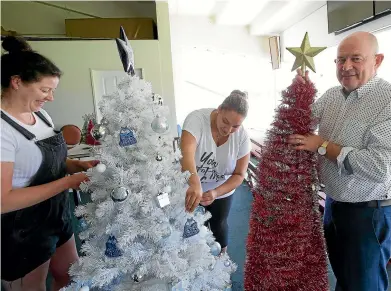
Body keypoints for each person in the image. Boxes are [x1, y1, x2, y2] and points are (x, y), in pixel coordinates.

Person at [287, 31, 391, 291]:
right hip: (334, 205)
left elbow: (379, 167)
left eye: (356, 58)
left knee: (365, 285)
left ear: (377, 60)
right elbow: (300, 124)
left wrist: (322, 146)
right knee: (345, 279)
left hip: (368, 212)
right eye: (340, 60)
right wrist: (300, 93)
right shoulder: (333, 95)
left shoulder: (387, 101)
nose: (346, 67)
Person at [1, 36, 98, 290]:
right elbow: (3, 201)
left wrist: (74, 166)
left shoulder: (40, 114)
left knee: (70, 276)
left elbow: (46, 161)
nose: (51, 98)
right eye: (45, 90)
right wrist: (66, 182)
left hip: (56, 213)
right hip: (22, 229)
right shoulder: (2, 130)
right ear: (17, 82)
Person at [180, 90, 251, 253]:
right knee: (193, 227)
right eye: (225, 122)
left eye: (235, 126)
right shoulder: (196, 120)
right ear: (219, 109)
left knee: (219, 223)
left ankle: (221, 265)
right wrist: (194, 182)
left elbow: (239, 175)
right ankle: (196, 263)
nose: (228, 129)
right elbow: (187, 153)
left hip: (222, 188)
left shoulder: (242, 137)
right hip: (192, 184)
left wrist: (216, 192)